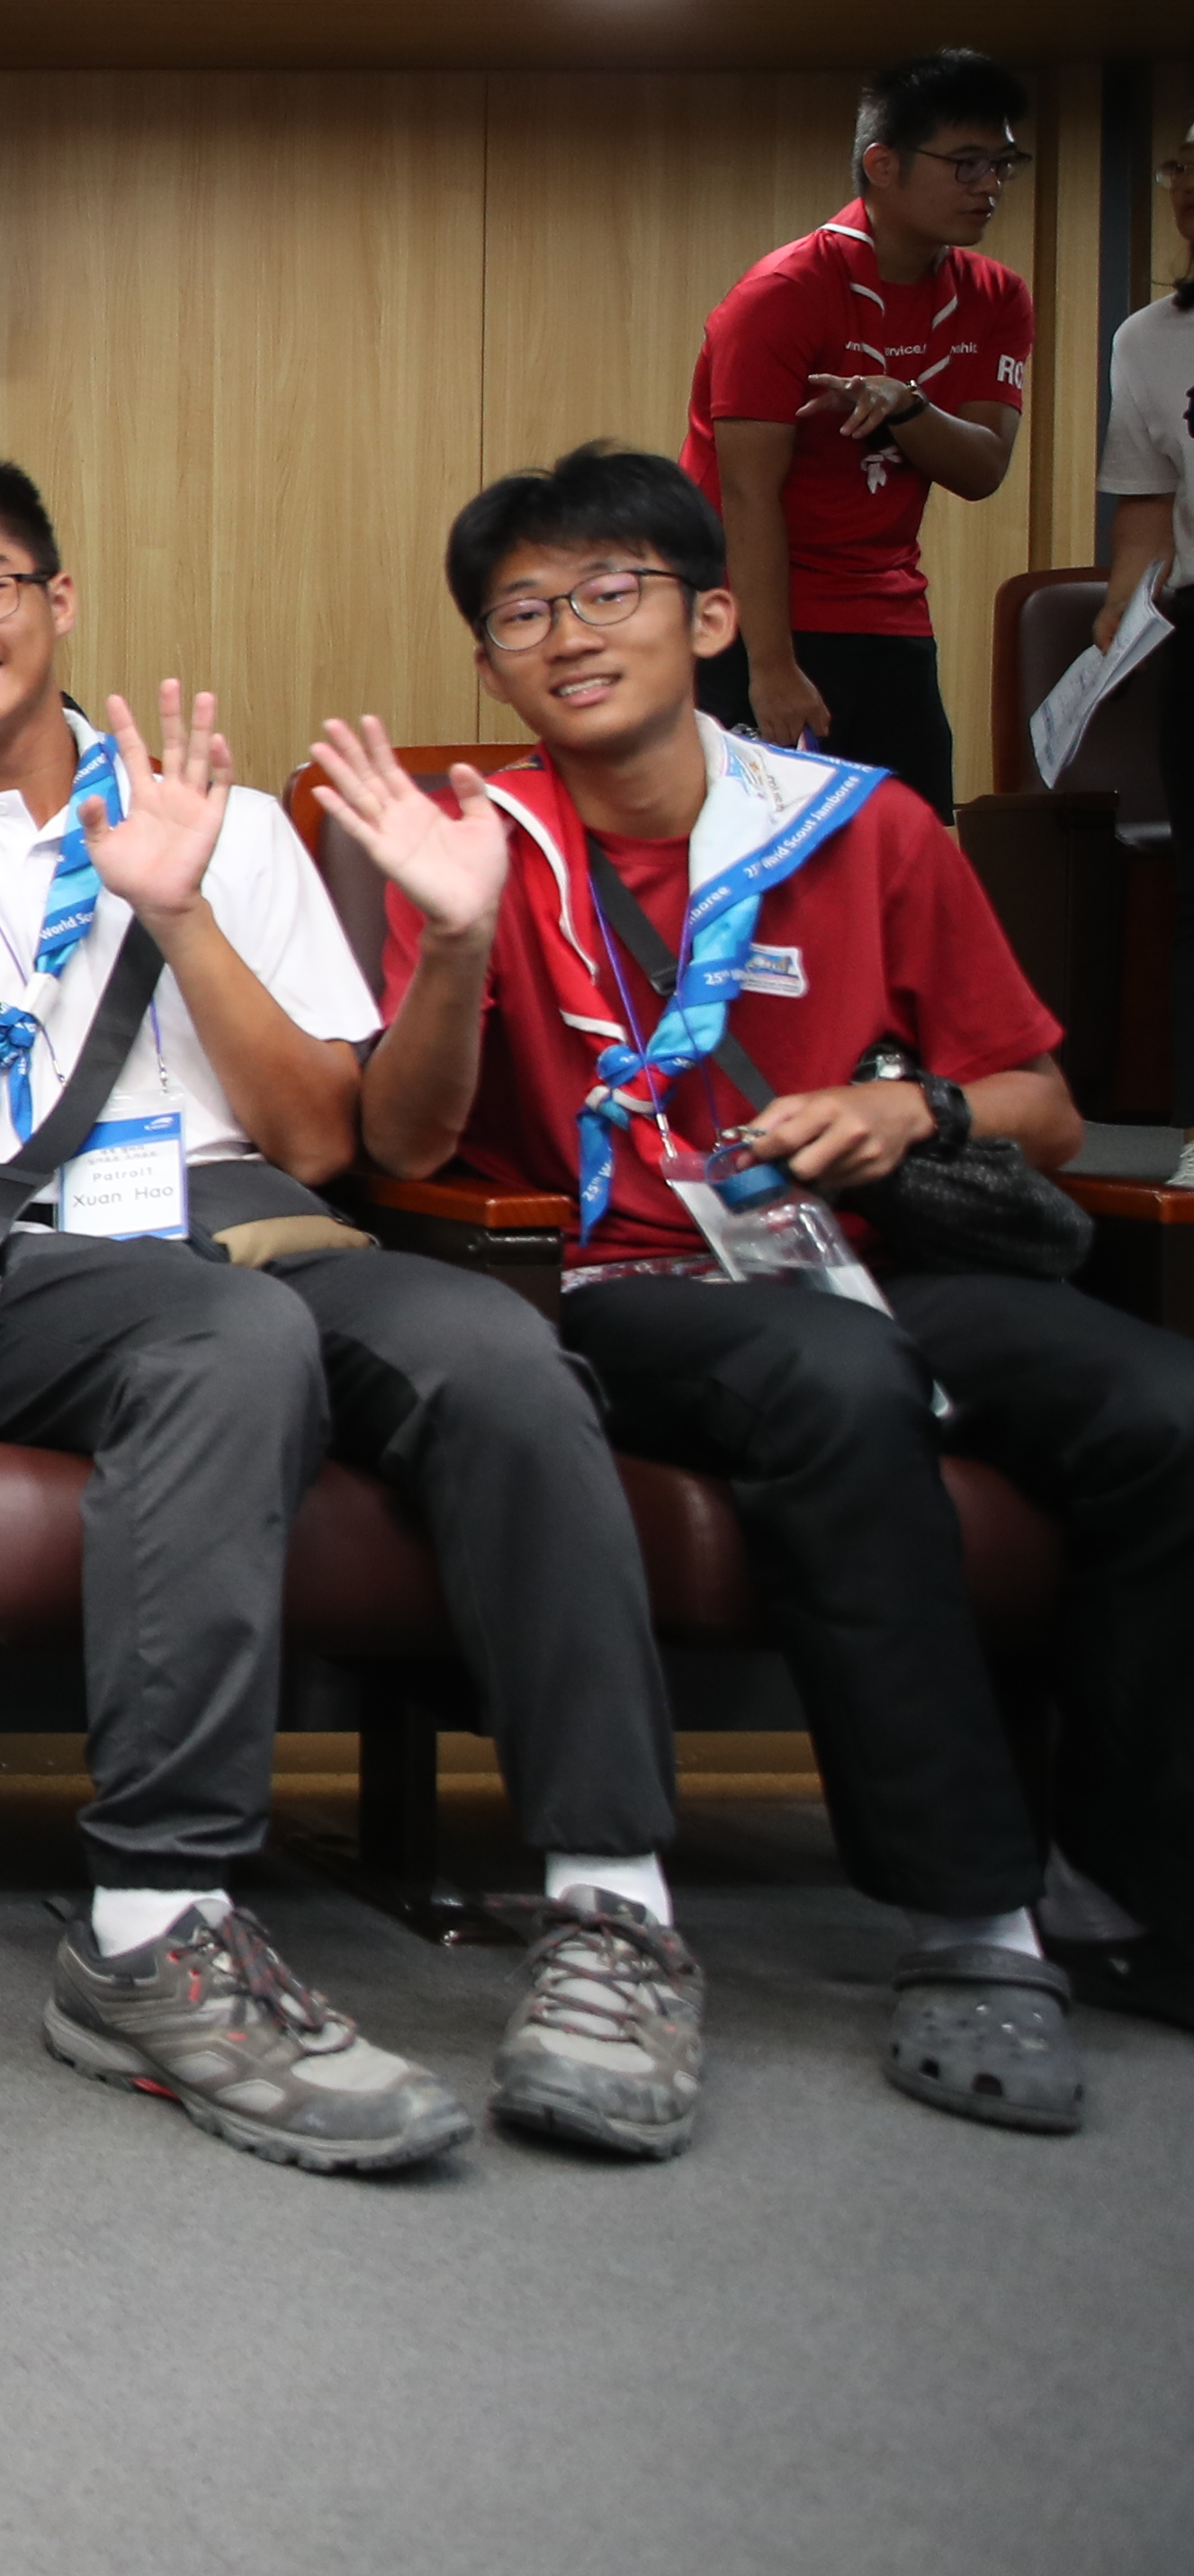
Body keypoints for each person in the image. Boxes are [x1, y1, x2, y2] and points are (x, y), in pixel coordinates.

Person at [0, 446, 669, 2177]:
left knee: (503, 1356)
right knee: (223, 1340)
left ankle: (610, 1901)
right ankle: (152, 1924)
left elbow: (316, 1137)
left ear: (57, 599)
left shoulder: (227, 822)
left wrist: (182, 909)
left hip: (248, 1224)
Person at [337, 440, 1194, 2118]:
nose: (569, 632)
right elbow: (405, 1143)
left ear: (710, 615)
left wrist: (909, 1103)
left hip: (868, 1253)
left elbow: (1043, 1103)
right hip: (612, 1278)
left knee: (1163, 1410)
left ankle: (1134, 1871)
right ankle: (968, 1913)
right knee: (830, 1378)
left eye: (610, 590)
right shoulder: (473, 844)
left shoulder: (859, 827)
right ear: (490, 662)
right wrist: (445, 941)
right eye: (522, 611)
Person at [681, 49, 1038, 811]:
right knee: (757, 868)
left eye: (1003, 165)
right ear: (883, 163)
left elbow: (982, 469)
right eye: (967, 164)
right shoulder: (782, 294)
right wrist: (770, 668)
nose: (990, 187)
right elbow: (746, 494)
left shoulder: (998, 297)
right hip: (753, 618)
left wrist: (907, 405)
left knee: (905, 862)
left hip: (888, 613)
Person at [1088, 123, 1194, 1161]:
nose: (1189, 192)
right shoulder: (1149, 339)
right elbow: (1148, 507)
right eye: (1182, 172)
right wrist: (1124, 604)